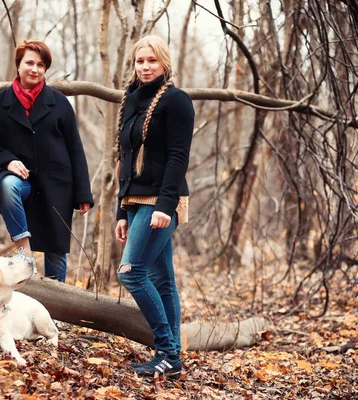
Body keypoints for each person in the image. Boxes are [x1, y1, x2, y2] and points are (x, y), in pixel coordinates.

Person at [114, 35, 194, 379]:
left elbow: (178, 157)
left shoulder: (176, 101)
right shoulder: (131, 100)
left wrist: (166, 205)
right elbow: (125, 158)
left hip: (162, 200)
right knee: (162, 279)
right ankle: (171, 358)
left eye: (152, 61)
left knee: (131, 272)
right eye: (139, 61)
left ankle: (166, 351)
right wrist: (120, 210)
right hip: (134, 199)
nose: (145, 67)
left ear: (164, 63)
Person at [0, 40, 93, 282]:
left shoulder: (60, 103)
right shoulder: (0, 103)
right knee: (7, 186)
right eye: (29, 63)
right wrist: (8, 161)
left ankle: (57, 313)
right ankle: (24, 254)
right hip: (24, 183)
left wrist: (83, 193)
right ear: (18, 65)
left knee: (55, 250)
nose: (34, 69)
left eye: (40, 65)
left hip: (56, 185)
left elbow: (75, 147)